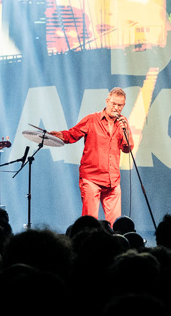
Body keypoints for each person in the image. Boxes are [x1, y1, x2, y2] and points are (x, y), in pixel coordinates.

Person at [49, 87, 133, 226]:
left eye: (120, 105)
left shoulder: (122, 123)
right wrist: (60, 135)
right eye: (114, 104)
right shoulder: (92, 119)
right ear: (107, 101)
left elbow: (127, 148)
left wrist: (126, 132)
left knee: (115, 224)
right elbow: (72, 134)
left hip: (112, 180)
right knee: (90, 223)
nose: (116, 108)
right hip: (92, 178)